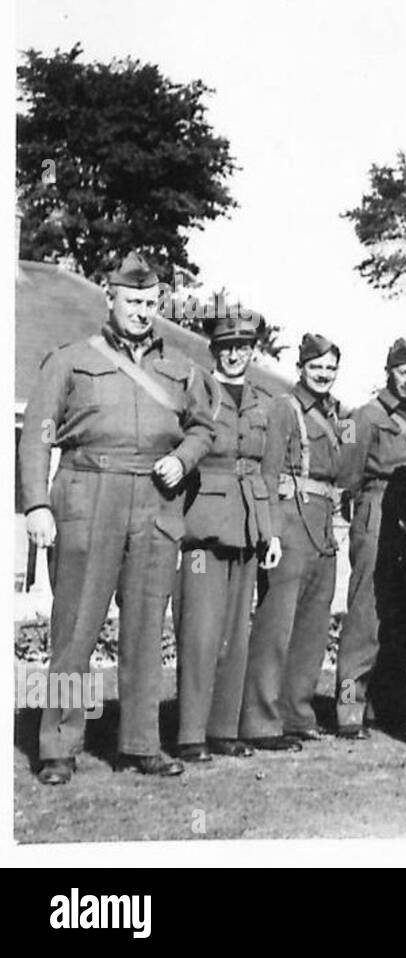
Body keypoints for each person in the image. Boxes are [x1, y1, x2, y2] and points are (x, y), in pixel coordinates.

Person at [20, 251, 214, 783]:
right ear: (111, 297)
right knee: (75, 629)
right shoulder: (69, 359)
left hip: (154, 499)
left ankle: (140, 744)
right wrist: (37, 502)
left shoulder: (180, 367)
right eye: (132, 301)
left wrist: (183, 458)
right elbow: (37, 434)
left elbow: (203, 427)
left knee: (146, 629)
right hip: (87, 494)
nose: (141, 311)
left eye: (151, 303)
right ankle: (58, 746)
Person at [173, 311, 279, 763]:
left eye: (244, 347)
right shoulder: (197, 388)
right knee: (200, 632)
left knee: (237, 634)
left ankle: (222, 729)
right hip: (203, 524)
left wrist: (269, 532)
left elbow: (267, 471)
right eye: (227, 347)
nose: (236, 354)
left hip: (248, 524)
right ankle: (190, 734)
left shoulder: (265, 400)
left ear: (254, 351)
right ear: (214, 351)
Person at [240, 334, 346, 751]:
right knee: (275, 625)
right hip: (289, 518)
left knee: (313, 624)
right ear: (301, 367)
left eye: (331, 367)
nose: (324, 374)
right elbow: (267, 474)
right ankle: (260, 721)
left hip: (322, 523)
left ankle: (296, 712)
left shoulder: (335, 415)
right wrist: (270, 533)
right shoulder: (284, 407)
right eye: (316, 366)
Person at [333, 339, 406, 739]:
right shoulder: (365, 416)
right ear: (390, 371)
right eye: (404, 372)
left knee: (404, 615)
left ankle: (387, 702)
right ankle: (349, 706)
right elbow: (347, 474)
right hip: (377, 509)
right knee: (367, 612)